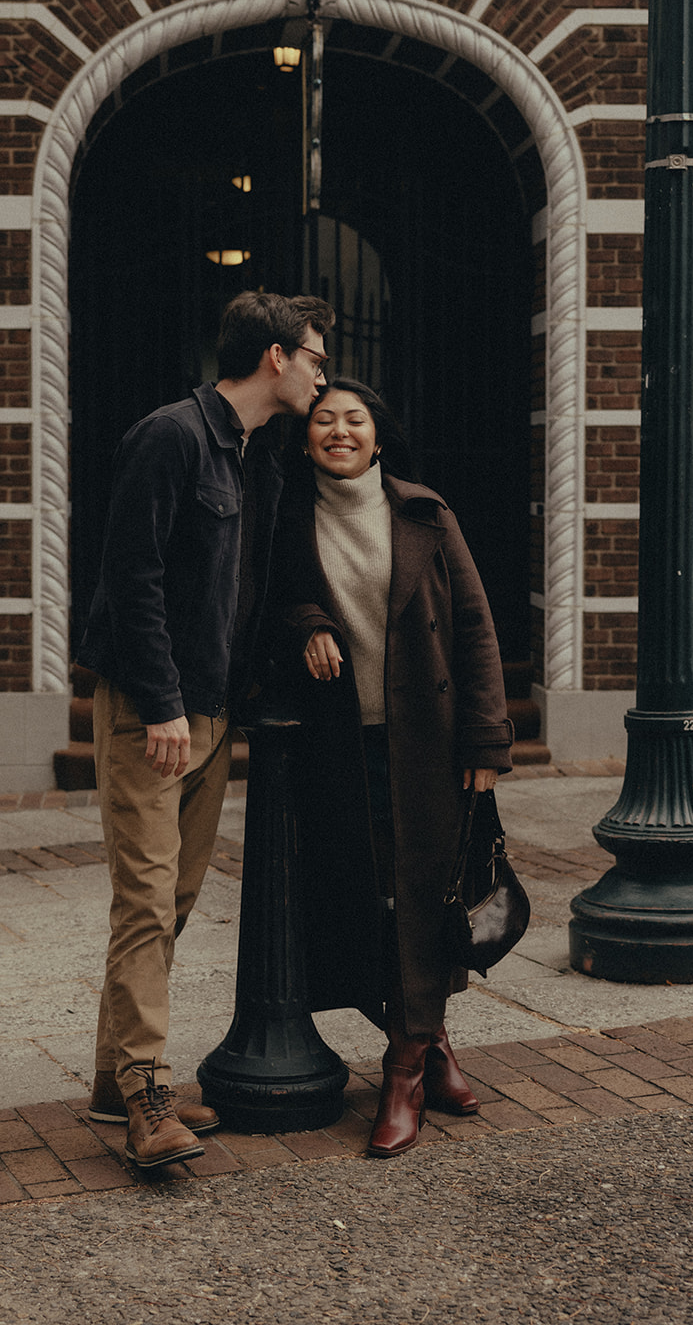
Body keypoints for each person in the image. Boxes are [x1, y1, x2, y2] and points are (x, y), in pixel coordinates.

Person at [76, 290, 334, 1169]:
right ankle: (148, 1096)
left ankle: (116, 1082)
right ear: (273, 356)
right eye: (314, 356)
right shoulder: (171, 437)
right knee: (145, 899)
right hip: (159, 711)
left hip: (216, 709)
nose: (320, 372)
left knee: (174, 899)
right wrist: (160, 705)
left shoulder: (257, 454)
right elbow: (131, 578)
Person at [270, 377, 513, 1158]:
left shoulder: (423, 512)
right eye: (322, 420)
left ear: (378, 434)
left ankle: (402, 1072)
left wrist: (485, 745)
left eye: (354, 420)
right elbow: (269, 601)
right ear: (305, 435)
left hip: (427, 743)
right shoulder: (284, 513)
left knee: (423, 896)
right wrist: (307, 620)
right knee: (359, 899)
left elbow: (474, 628)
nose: (338, 432)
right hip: (337, 743)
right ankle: (434, 1043)